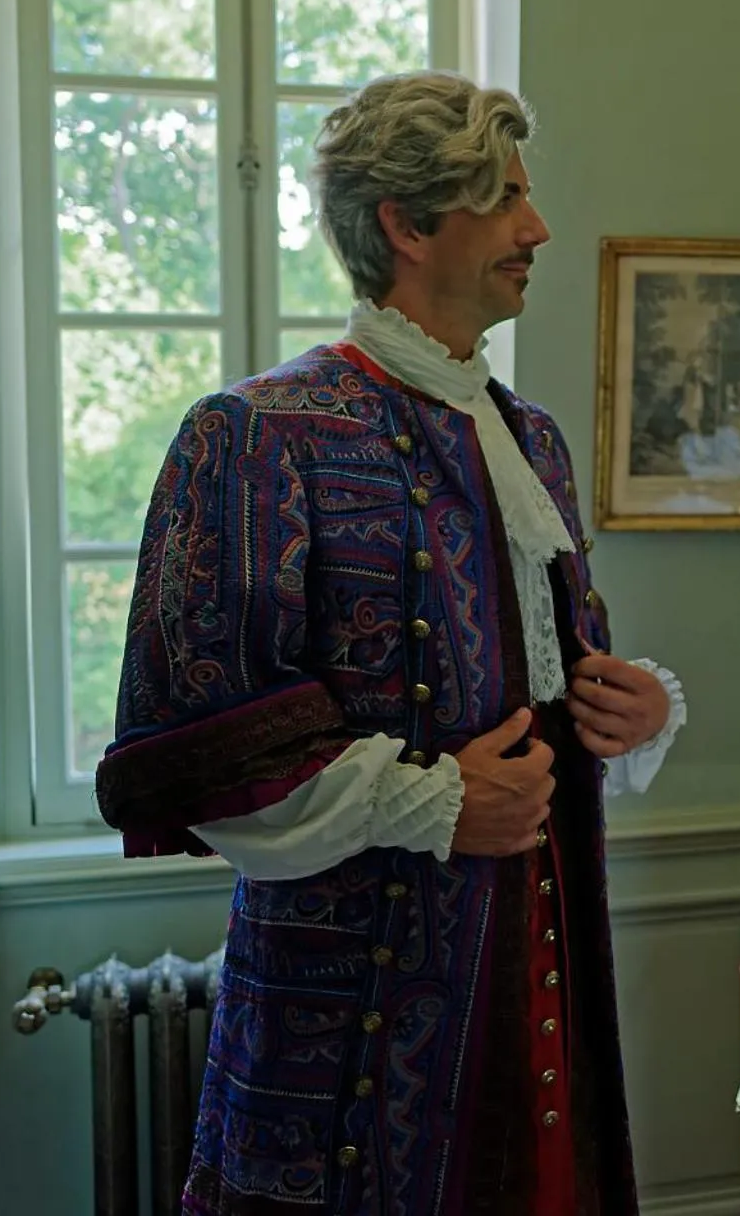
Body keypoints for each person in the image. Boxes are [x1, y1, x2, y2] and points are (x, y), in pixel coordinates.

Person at [96, 73, 687, 1215]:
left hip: (538, 983)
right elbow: (198, 746)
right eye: (504, 198)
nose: (539, 228)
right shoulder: (255, 434)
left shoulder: (533, 439)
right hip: (348, 1046)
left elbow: (554, 670)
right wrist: (427, 801)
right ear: (406, 226)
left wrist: (638, 706)